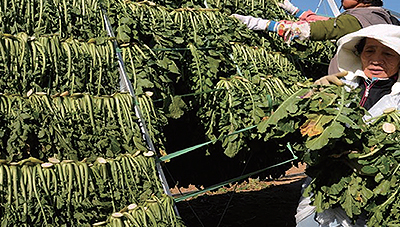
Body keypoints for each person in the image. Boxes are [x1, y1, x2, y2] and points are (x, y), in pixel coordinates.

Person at [296, 23, 400, 227]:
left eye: (388, 53)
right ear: (359, 54)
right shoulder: (342, 88)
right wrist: (311, 96)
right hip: (325, 191)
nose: (376, 59)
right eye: (369, 50)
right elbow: (301, 133)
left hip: (378, 200)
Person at [232, 0, 399, 73]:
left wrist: (266, 25)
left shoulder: (358, 19)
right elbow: (332, 23)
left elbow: (322, 29)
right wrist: (297, 12)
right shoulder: (378, 16)